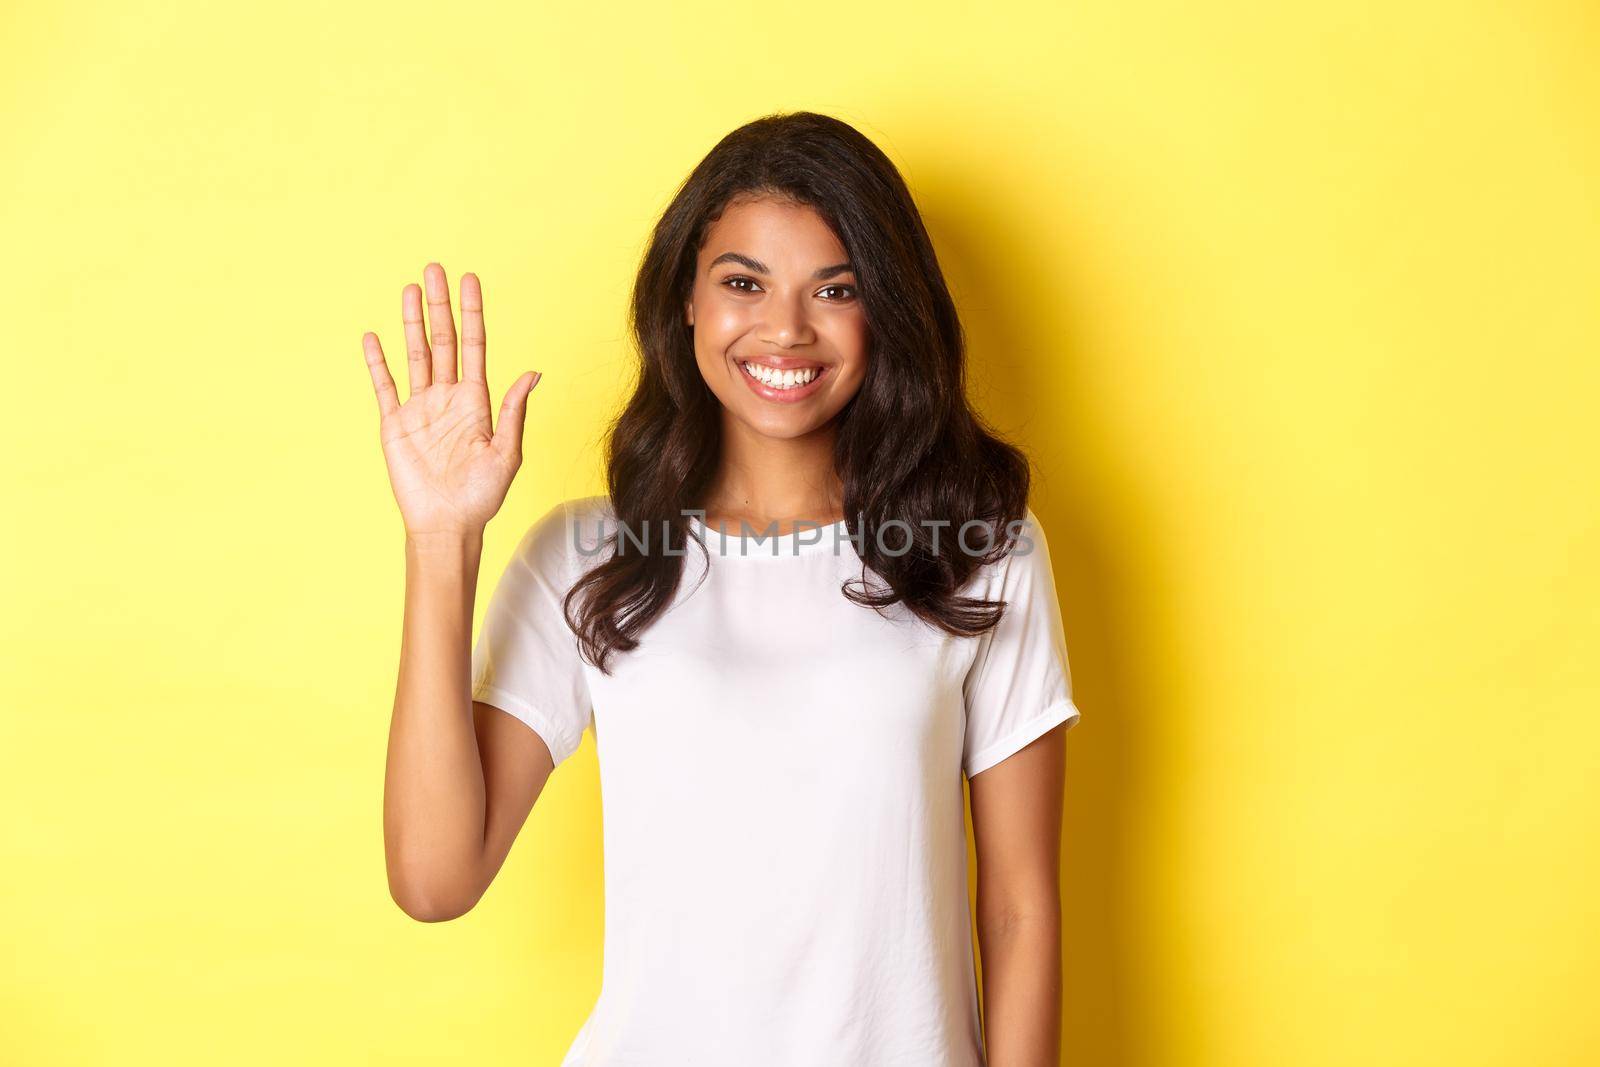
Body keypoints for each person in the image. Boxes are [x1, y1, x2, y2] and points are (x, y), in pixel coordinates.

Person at [362, 111, 1082, 1066]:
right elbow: (433, 876)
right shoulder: (589, 556)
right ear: (688, 302)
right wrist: (442, 541)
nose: (786, 327)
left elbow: (1021, 908)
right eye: (744, 282)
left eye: (836, 288)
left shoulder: (980, 551)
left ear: (889, 313)